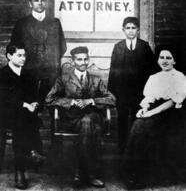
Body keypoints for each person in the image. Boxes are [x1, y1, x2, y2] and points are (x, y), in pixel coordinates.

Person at [45, 46, 115, 188]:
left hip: (94, 116)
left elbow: (112, 99)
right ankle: (89, 173)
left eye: (85, 59)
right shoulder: (63, 79)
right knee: (88, 125)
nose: (83, 62)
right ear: (72, 61)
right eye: (79, 59)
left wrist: (92, 101)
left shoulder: (96, 80)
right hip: (72, 119)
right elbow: (49, 99)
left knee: (88, 121)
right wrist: (70, 102)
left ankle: (79, 172)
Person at [122, 46, 186, 188]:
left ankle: (149, 177)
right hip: (154, 109)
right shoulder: (154, 77)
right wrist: (144, 109)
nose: (164, 61)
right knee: (137, 125)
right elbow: (149, 98)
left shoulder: (180, 77)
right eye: (162, 57)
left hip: (171, 113)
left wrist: (152, 113)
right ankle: (132, 174)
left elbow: (172, 101)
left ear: (174, 61)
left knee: (145, 127)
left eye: (168, 58)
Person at [108, 16, 158, 152]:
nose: (131, 31)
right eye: (128, 28)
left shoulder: (144, 46)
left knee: (138, 118)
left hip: (140, 92)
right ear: (123, 30)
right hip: (122, 92)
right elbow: (113, 71)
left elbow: (153, 70)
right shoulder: (118, 47)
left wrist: (150, 92)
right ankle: (122, 147)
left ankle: (136, 148)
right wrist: (112, 92)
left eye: (133, 28)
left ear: (138, 30)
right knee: (122, 119)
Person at [0, 43, 45, 189]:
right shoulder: (2, 75)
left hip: (25, 115)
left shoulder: (29, 75)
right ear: (9, 56)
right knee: (22, 119)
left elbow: (35, 96)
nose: (23, 58)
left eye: (24, 55)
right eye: (19, 55)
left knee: (22, 122)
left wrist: (35, 104)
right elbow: (5, 99)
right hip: (6, 114)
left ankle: (20, 171)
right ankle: (31, 152)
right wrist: (26, 105)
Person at [11, 0, 66, 105]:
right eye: (36, 1)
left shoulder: (55, 23)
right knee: (30, 105)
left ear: (46, 3)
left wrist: (51, 61)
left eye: (42, 0)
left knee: (52, 105)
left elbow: (62, 47)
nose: (40, 3)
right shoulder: (22, 24)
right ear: (30, 4)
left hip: (51, 73)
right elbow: (14, 47)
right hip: (29, 71)